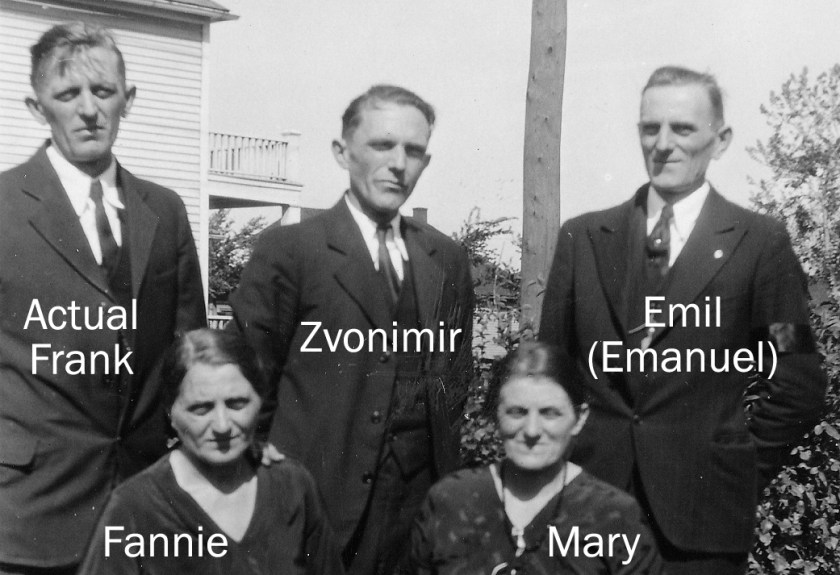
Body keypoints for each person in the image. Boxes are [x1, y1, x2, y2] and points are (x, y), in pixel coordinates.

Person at [540, 65, 827, 573]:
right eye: (651, 128)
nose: (663, 144)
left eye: (683, 129)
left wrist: (732, 475)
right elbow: (548, 379)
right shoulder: (582, 240)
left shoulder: (760, 245)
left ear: (721, 140)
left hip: (702, 524)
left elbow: (797, 380)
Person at [229, 84, 474, 574]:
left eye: (414, 151)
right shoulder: (292, 250)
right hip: (318, 504)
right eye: (382, 145)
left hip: (419, 511)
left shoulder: (445, 258)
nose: (399, 163)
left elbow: (454, 381)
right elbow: (245, 381)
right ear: (342, 153)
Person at [0, 22, 205, 573]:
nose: (88, 110)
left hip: (142, 513)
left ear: (128, 100)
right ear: (36, 105)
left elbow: (193, 354)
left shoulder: (164, 210)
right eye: (67, 95)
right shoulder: (2, 209)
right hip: (25, 514)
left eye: (103, 92)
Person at [78, 329, 343, 574]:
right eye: (201, 408)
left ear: (260, 400)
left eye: (237, 404)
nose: (222, 425)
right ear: (171, 412)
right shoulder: (133, 509)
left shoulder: (292, 487)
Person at [409, 342, 663, 574]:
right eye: (517, 412)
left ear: (579, 418)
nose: (531, 431)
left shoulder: (614, 517)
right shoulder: (449, 502)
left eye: (550, 414)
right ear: (496, 414)